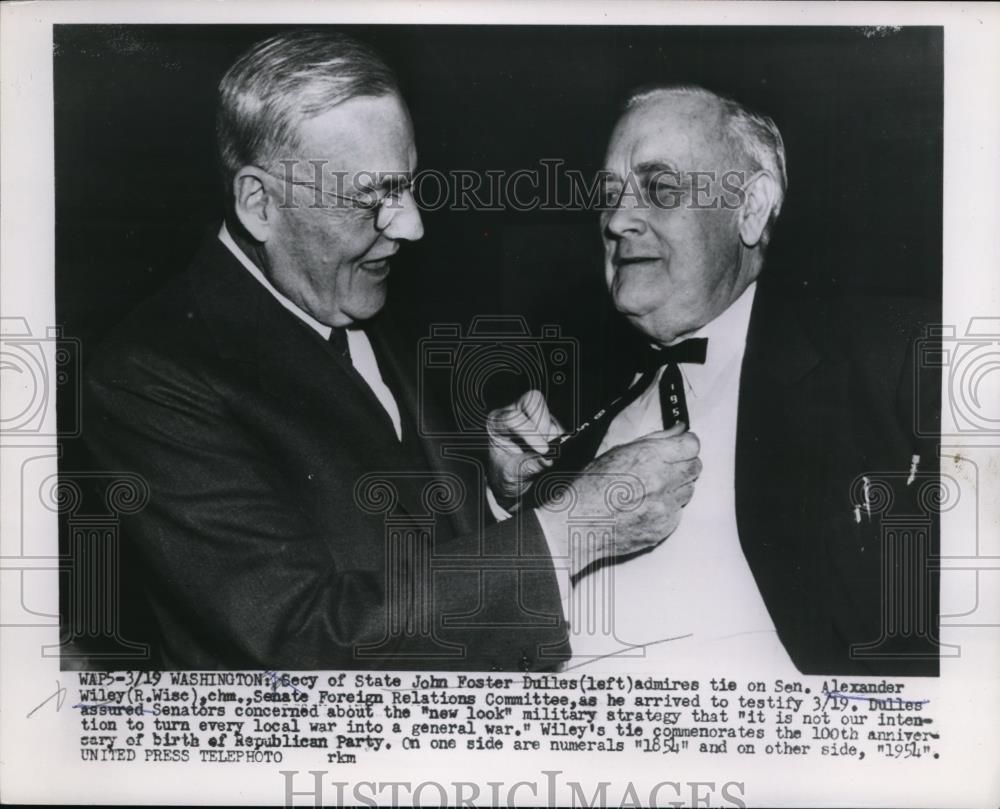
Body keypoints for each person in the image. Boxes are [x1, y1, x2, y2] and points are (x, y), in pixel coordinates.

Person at [81, 31, 697, 670]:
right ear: (259, 203)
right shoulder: (145, 377)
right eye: (371, 198)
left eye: (407, 187)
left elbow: (407, 545)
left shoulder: (352, 291)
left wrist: (490, 490)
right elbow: (299, 641)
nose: (411, 226)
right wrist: (567, 530)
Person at [488, 84, 940, 676]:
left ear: (750, 209)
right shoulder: (574, 411)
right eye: (609, 195)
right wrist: (509, 499)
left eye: (661, 188)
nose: (618, 220)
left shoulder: (897, 354)